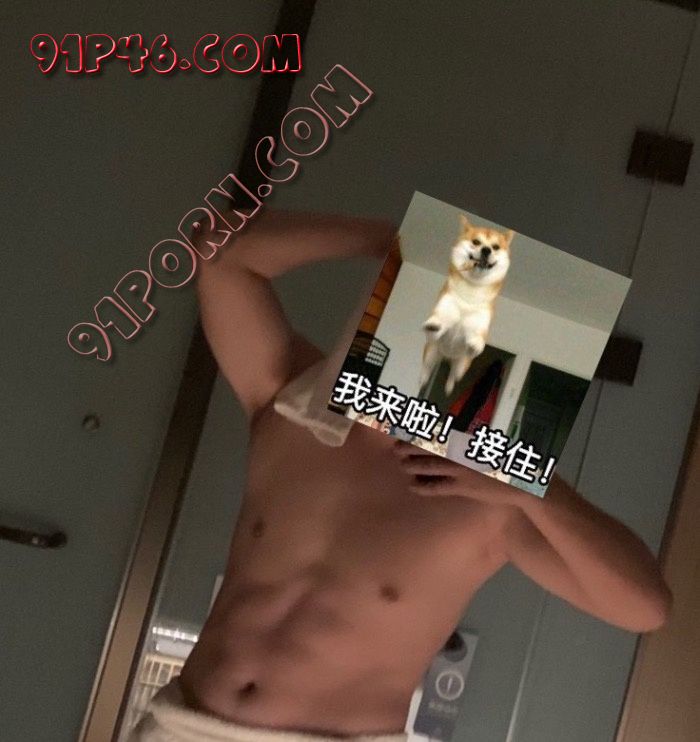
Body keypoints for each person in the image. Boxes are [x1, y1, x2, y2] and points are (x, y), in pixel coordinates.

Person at [130, 210, 671, 742]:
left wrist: (534, 488)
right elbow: (220, 257)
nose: (449, 352)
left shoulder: (492, 508)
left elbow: (643, 608)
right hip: (183, 726)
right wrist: (390, 240)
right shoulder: (289, 402)